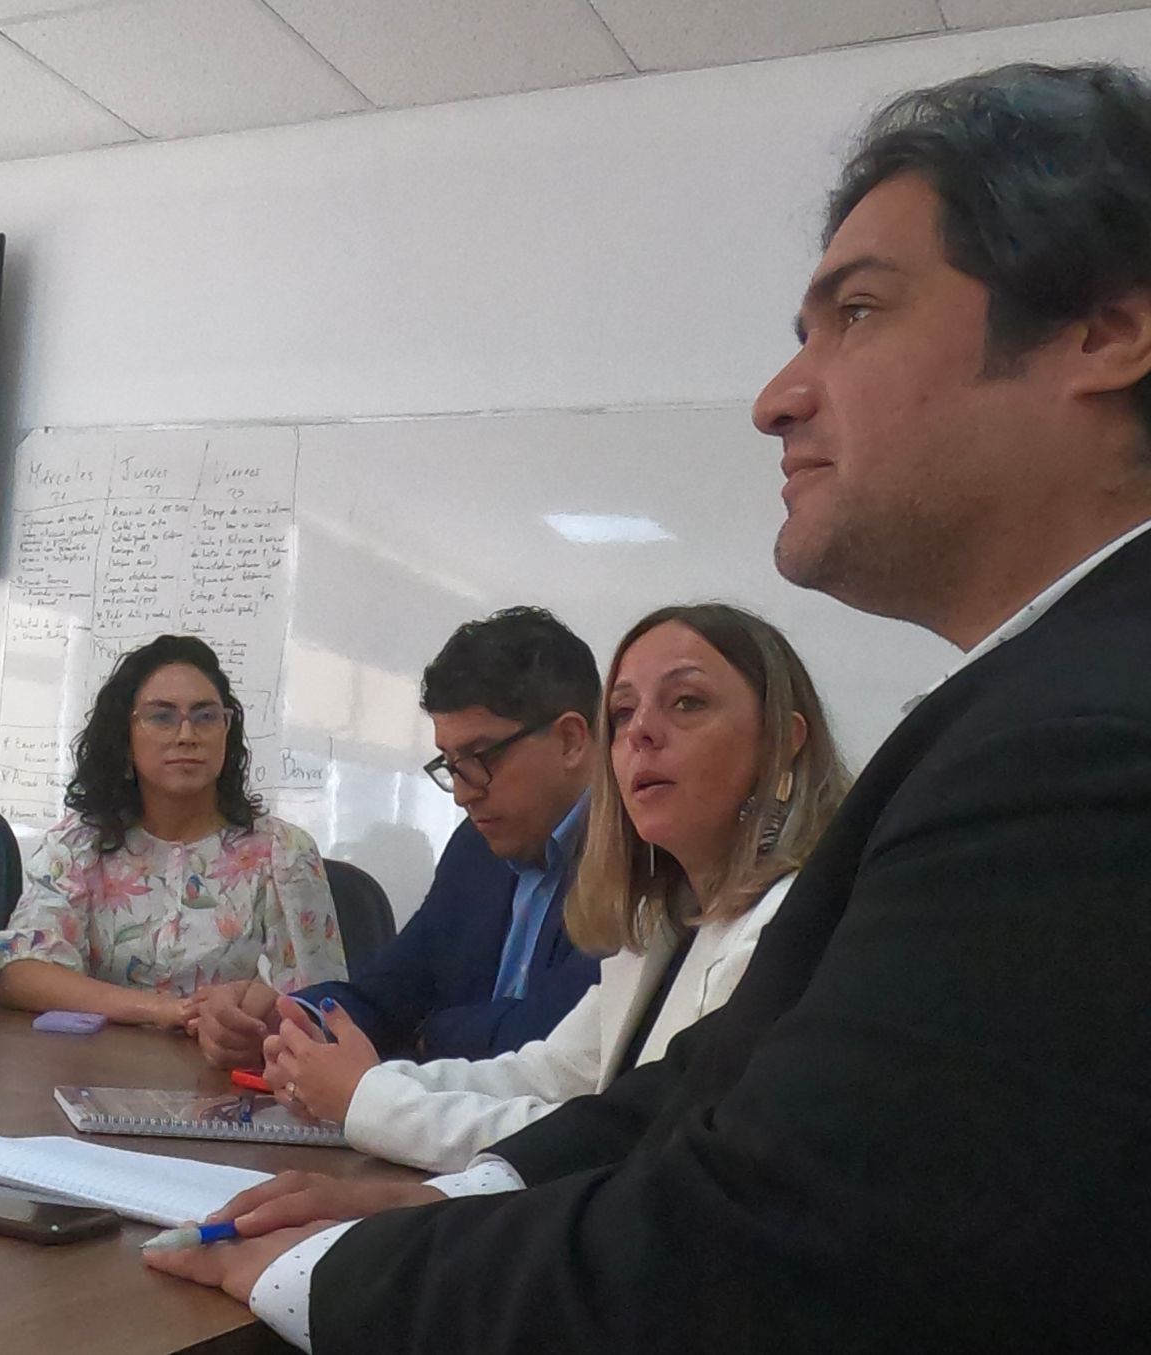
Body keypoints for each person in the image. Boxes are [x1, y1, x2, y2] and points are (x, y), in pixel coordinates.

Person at [147, 63, 1151, 1351]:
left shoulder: (1081, 744)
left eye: (856, 311)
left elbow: (767, 1249)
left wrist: (320, 1271)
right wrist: (440, 1201)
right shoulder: (1035, 703)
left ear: (1102, 333)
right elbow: (684, 1097)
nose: (776, 397)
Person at [264, 604, 849, 1172]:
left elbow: (625, 1149)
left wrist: (376, 1095)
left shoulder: (791, 930)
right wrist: (329, 1055)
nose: (640, 732)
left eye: (687, 702)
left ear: (782, 742)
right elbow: (549, 1073)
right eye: (623, 712)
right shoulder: (662, 914)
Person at [188, 606, 602, 1069]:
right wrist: (288, 1021)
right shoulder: (475, 848)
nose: (463, 793)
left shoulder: (639, 862)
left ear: (570, 740)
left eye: (482, 757)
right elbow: (390, 992)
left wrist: (427, 1034)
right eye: (451, 763)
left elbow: (557, 1039)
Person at [0, 635, 346, 1027]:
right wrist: (168, 1011)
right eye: (161, 717)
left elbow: (320, 1008)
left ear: (227, 731)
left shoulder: (283, 851)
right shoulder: (79, 844)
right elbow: (18, 972)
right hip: (97, 1058)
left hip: (232, 1060)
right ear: (125, 737)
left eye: (206, 716)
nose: (187, 735)